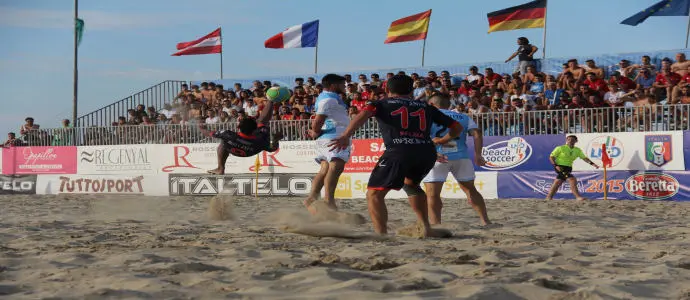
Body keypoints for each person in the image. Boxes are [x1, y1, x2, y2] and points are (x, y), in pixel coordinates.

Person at [329, 75, 462, 237]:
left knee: (374, 193)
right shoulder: (426, 106)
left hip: (399, 149)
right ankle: (425, 227)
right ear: (412, 90)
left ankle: (381, 234)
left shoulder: (379, 104)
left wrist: (345, 135)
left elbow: (362, 115)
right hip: (426, 151)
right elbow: (456, 127)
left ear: (387, 89)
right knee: (412, 185)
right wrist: (442, 140)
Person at [422, 93, 491, 226]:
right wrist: (478, 154)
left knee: (432, 194)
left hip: (437, 157)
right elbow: (477, 133)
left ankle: (436, 224)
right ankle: (485, 221)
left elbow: (420, 136)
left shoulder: (427, 115)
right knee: (471, 190)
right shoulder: (463, 116)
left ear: (431, 104)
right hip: (461, 157)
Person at [304, 74, 351, 214]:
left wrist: (316, 131)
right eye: (342, 84)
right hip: (334, 135)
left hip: (329, 135)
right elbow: (318, 120)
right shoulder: (329, 99)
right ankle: (328, 201)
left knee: (325, 167)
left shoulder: (328, 98)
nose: (345, 87)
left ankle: (311, 198)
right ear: (333, 85)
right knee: (336, 166)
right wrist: (315, 131)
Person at [199, 98, 282, 175]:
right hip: (250, 151)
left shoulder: (228, 134)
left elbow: (208, 133)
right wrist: (275, 140)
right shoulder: (261, 137)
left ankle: (220, 168)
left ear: (238, 127)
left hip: (232, 148)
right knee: (262, 122)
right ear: (255, 129)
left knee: (223, 142)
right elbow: (272, 149)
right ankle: (271, 101)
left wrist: (201, 128)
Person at [545, 135, 599, 201]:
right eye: (568, 139)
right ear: (566, 140)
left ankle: (548, 197)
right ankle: (578, 197)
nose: (570, 141)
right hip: (560, 167)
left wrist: (593, 164)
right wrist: (556, 165)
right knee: (572, 179)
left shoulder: (577, 150)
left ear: (576, 141)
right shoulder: (560, 148)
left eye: (572, 140)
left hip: (568, 168)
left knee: (558, 182)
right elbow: (551, 157)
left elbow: (584, 158)